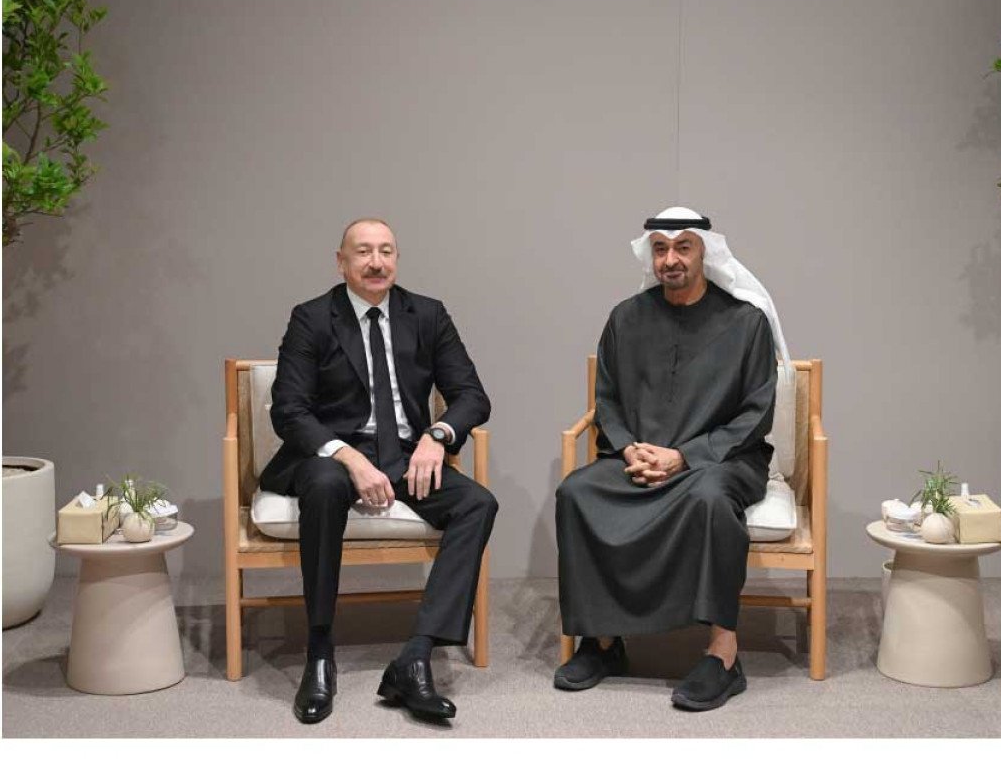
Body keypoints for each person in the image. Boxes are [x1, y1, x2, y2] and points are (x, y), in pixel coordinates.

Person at [553, 206, 793, 711]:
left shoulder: (745, 322)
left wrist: (685, 456)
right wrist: (628, 447)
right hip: (638, 456)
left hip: (724, 460)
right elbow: (607, 399)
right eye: (660, 249)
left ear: (706, 253)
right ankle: (602, 642)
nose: (671, 259)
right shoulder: (625, 318)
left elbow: (756, 414)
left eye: (683, 247)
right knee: (576, 492)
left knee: (710, 500)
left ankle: (723, 654)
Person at [260, 218, 497, 725]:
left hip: (406, 452)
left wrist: (437, 436)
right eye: (363, 251)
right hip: (332, 454)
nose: (376, 262)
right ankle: (319, 651)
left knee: (477, 503)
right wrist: (349, 457)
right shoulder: (312, 318)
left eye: (386, 251)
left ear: (397, 258)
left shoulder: (427, 314)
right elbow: (289, 409)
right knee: (325, 486)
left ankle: (416, 656)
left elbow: (472, 396)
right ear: (341, 261)